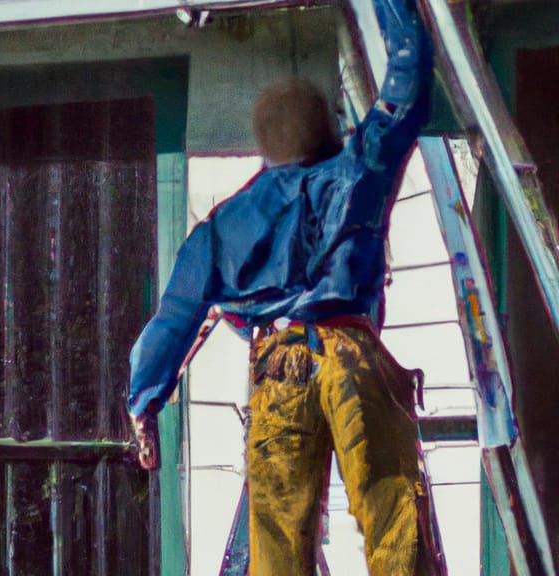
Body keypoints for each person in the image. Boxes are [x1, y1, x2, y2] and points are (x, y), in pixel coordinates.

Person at [126, 0, 436, 574]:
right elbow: (407, 82)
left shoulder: (221, 227)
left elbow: (174, 319)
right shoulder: (359, 169)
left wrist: (144, 405)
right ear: (327, 128)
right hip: (351, 352)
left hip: (279, 365)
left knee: (275, 543)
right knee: (393, 521)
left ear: (264, 144)